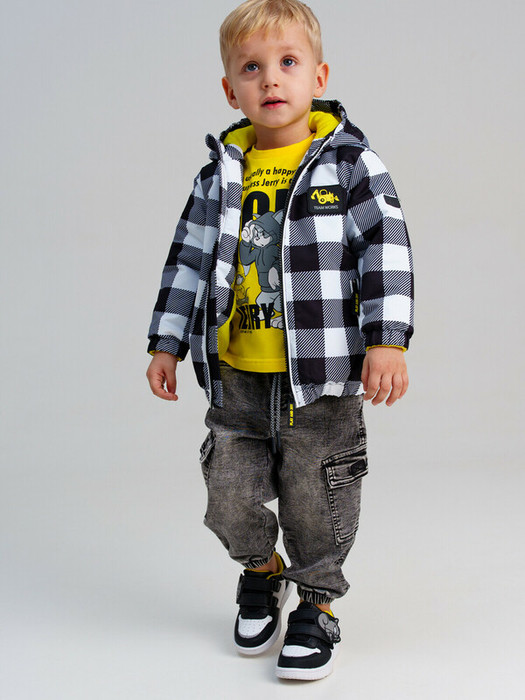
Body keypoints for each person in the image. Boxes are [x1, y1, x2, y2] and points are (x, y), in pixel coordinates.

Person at [146, 0, 414, 681]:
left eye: (288, 62)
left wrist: (387, 339)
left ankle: (318, 602)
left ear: (318, 76)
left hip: (320, 378)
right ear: (229, 89)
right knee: (227, 492)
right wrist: (166, 342)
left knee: (318, 497)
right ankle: (261, 570)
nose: (270, 79)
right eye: (251, 68)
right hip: (236, 376)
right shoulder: (218, 174)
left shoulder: (349, 165)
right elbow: (186, 261)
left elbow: (386, 249)